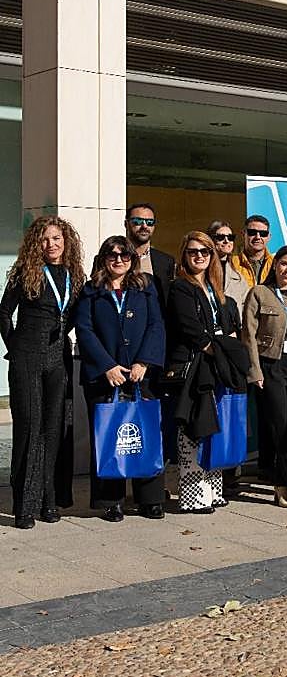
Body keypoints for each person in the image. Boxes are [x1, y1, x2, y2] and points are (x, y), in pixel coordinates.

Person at [1, 215, 84, 528]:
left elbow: (74, 314)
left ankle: (48, 501)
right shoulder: (26, 272)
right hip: (27, 358)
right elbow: (3, 314)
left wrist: (61, 335)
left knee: (53, 432)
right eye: (45, 239)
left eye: (57, 238)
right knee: (30, 429)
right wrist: (17, 346)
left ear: (66, 242)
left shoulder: (74, 275)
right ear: (37, 243)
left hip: (57, 358)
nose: (51, 244)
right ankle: (24, 506)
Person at [75, 235, 166, 522]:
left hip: (141, 375)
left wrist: (144, 362)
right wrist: (107, 366)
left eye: (124, 256)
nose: (118, 260)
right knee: (109, 436)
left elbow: (156, 325)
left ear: (132, 259)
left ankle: (149, 499)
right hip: (105, 377)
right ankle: (110, 501)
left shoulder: (145, 287)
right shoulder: (91, 291)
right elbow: (84, 330)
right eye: (112, 255)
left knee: (146, 433)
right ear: (104, 258)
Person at [165, 231, 247, 514]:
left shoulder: (217, 289)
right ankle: (192, 497)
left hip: (217, 368)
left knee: (215, 429)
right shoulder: (180, 288)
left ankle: (212, 491)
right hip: (193, 368)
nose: (199, 256)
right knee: (193, 431)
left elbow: (232, 328)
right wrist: (224, 349)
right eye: (192, 251)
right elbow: (194, 333)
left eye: (205, 251)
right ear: (184, 256)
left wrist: (226, 350)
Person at [243, 245, 287, 509]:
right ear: (275, 265)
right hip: (269, 364)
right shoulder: (259, 293)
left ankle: (280, 486)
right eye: (284, 264)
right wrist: (255, 370)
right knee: (280, 425)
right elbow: (248, 336)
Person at [125, 203, 175, 308]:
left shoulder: (166, 261)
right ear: (126, 224)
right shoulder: (111, 259)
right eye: (137, 221)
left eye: (149, 222)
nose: (144, 226)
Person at [208, 220, 250, 313]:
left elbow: (245, 309)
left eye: (230, 237)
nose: (226, 241)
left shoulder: (238, 278)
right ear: (210, 240)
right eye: (220, 237)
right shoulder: (201, 271)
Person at [230, 215, 274, 289]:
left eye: (263, 233)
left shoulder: (275, 264)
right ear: (243, 234)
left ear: (269, 237)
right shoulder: (231, 263)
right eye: (252, 232)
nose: (258, 237)